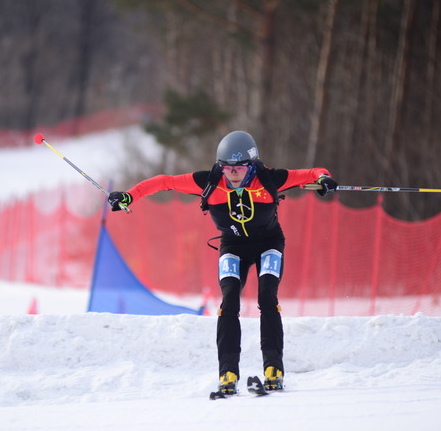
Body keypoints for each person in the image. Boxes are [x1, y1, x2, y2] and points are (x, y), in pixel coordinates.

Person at [107, 130, 337, 394]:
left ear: (252, 165)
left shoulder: (270, 178)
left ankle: (273, 368)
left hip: (269, 244)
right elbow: (164, 182)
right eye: (227, 168)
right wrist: (129, 196)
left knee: (267, 297)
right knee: (229, 303)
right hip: (233, 246)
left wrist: (324, 179)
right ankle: (228, 372)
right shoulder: (209, 181)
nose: (232, 174)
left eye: (239, 168)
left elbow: (313, 173)